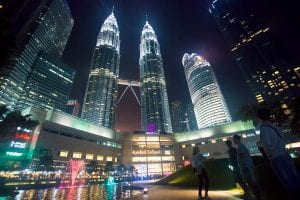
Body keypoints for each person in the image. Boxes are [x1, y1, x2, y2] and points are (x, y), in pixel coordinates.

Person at [257, 108, 300, 198]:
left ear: (259, 118)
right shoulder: (274, 126)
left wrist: (261, 145)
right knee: (295, 178)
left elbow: (267, 144)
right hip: (285, 154)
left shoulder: (264, 129)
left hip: (277, 158)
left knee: (287, 182)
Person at [233, 134, 261, 200]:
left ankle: (256, 196)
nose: (233, 141)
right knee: (251, 181)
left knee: (250, 181)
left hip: (246, 167)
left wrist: (242, 166)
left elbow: (242, 157)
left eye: (234, 139)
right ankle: (256, 195)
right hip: (246, 167)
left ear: (237, 139)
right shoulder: (241, 146)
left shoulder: (240, 147)